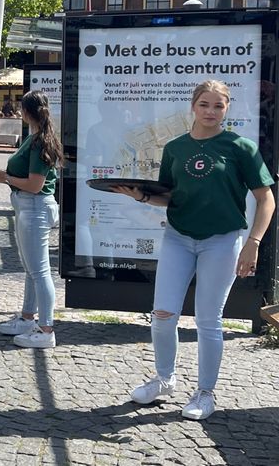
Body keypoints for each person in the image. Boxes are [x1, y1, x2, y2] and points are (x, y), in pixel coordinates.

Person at [113, 80, 275, 420]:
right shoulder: (175, 148)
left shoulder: (240, 147)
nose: (211, 112)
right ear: (193, 106)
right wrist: (139, 195)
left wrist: (253, 243)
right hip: (178, 237)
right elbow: (170, 196)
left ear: (227, 108)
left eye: (218, 106)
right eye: (204, 105)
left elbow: (266, 199)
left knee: (208, 321)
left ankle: (204, 393)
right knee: (162, 315)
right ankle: (164, 379)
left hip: (222, 240)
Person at [0, 91, 62, 348]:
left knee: (40, 271)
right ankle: (28, 318)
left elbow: (35, 185)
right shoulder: (36, 138)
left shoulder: (38, 142)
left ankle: (46, 329)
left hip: (34, 207)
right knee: (32, 269)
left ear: (26, 112)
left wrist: (4, 178)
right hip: (29, 206)